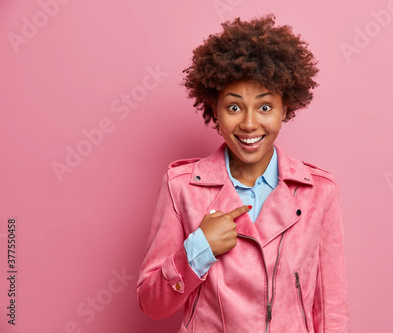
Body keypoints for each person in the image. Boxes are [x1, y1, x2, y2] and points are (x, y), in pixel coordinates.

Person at [136, 14, 349, 332]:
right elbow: (152, 304)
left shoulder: (319, 191)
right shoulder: (181, 188)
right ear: (214, 109)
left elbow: (331, 309)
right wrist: (200, 248)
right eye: (234, 107)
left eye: (265, 107)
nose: (249, 124)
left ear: (285, 108)